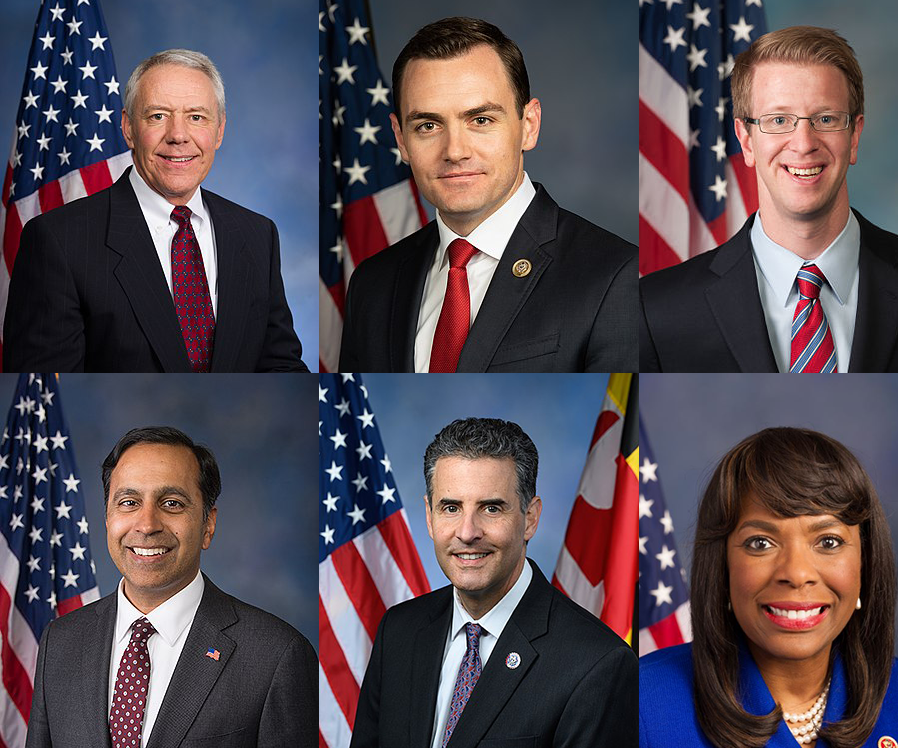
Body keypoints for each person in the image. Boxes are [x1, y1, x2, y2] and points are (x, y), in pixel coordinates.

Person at [638, 26, 898, 373]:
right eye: (779, 120)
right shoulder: (656, 309)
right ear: (746, 140)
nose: (803, 143)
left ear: (854, 136)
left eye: (825, 119)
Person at [339, 17, 639, 373]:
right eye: (428, 126)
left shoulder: (615, 277)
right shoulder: (372, 283)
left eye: (480, 120)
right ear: (401, 139)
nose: (455, 151)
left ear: (529, 125)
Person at [639, 427, 898, 747]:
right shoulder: (644, 703)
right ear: (721, 567)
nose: (797, 573)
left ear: (866, 562)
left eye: (828, 541)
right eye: (761, 543)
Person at [4, 49, 307, 373]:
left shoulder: (257, 234)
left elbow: (280, 367)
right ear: (128, 128)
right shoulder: (58, 240)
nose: (178, 136)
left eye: (196, 117)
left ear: (219, 131)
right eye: (158, 116)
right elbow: (44, 392)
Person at [350, 418, 638, 746]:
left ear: (530, 518)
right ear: (429, 517)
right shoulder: (399, 631)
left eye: (490, 508)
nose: (468, 532)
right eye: (451, 507)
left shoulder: (597, 664)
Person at [25, 427, 318, 748]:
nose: (147, 524)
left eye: (172, 503)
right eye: (128, 502)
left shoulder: (276, 656)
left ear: (208, 524)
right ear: (107, 518)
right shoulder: (60, 642)